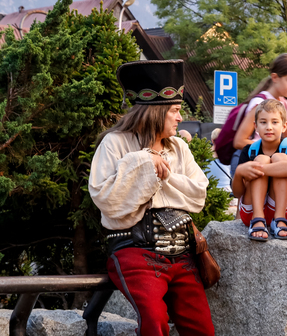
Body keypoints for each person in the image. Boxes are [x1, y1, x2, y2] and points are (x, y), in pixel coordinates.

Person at [88, 60, 214, 336]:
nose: (180, 118)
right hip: (135, 250)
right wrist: (143, 162)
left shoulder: (179, 147)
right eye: (175, 111)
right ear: (155, 112)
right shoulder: (115, 143)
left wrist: (164, 176)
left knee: (202, 328)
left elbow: (198, 196)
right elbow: (107, 200)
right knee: (154, 320)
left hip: (182, 254)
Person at [232, 99, 287, 241]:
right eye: (263, 122)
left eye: (275, 122)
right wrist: (239, 172)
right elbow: (237, 193)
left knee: (280, 158)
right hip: (251, 212)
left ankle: (279, 219)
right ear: (255, 126)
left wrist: (257, 169)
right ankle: (258, 219)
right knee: (262, 158)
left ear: (284, 126)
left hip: (279, 208)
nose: (269, 127)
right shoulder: (250, 150)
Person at [230, 53, 287, 176]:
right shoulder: (260, 103)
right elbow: (239, 141)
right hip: (251, 162)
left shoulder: (286, 106)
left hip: (274, 164)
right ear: (275, 77)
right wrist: (268, 150)